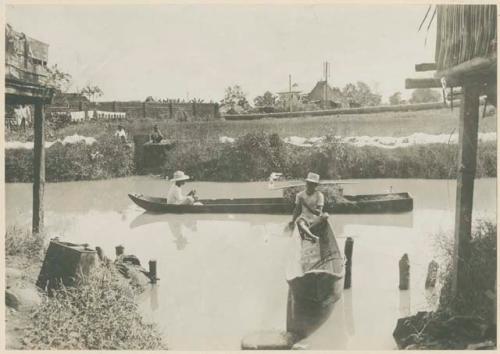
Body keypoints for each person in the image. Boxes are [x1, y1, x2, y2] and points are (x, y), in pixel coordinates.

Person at [288, 172, 328, 243]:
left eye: (312, 184)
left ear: (315, 185)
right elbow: (297, 210)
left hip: (315, 219)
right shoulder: (300, 195)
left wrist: (306, 205)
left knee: (326, 215)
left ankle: (306, 231)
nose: (309, 185)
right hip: (305, 218)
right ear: (306, 183)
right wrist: (293, 221)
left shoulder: (319, 195)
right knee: (300, 222)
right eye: (308, 183)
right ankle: (313, 237)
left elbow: (318, 213)